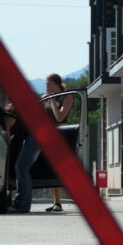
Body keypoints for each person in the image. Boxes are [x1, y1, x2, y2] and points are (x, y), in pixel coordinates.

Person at [44, 73, 73, 212]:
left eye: (49, 84)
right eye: (45, 84)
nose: (46, 87)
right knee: (50, 169)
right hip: (48, 136)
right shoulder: (46, 97)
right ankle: (55, 201)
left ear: (57, 84)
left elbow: (60, 117)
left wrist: (52, 101)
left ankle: (58, 202)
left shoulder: (67, 97)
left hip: (61, 135)